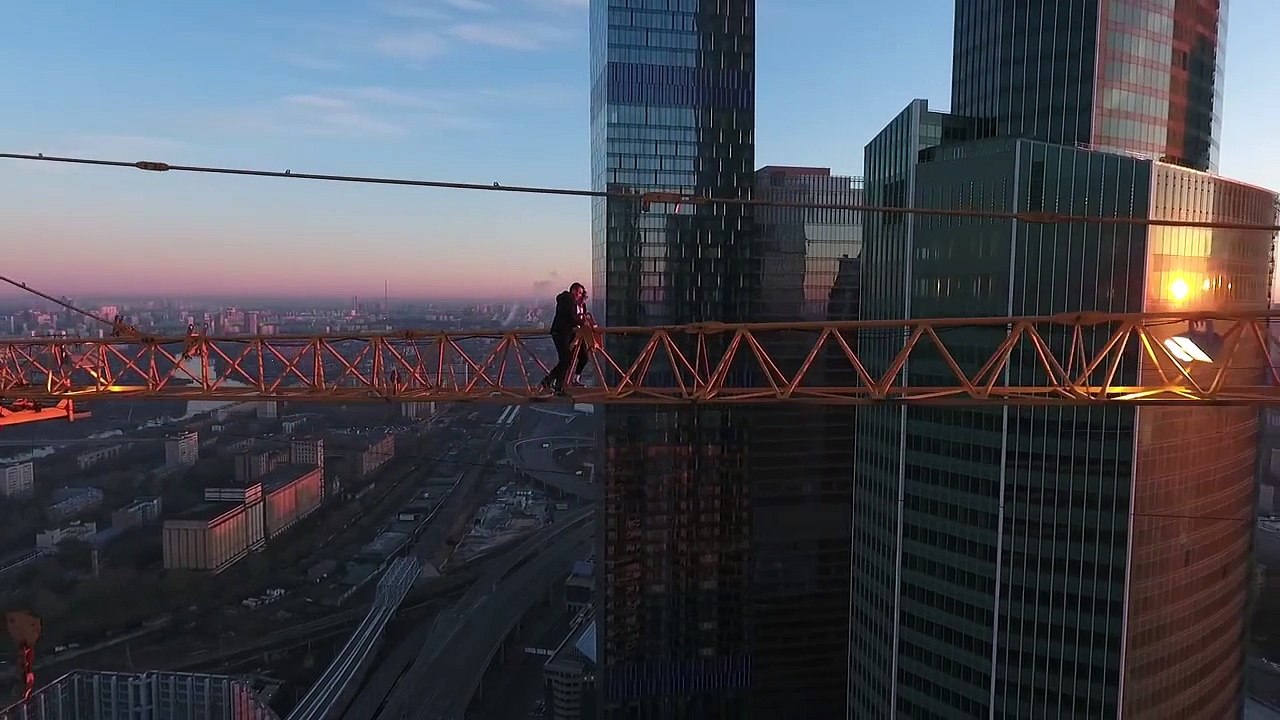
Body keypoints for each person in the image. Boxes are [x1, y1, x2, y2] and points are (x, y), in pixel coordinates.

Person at [541, 282, 590, 394]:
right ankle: (550, 381)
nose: (580, 296)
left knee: (567, 359)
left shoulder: (569, 300)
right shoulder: (568, 299)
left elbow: (571, 317)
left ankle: (556, 384)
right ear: (575, 291)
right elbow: (571, 317)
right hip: (561, 333)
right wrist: (583, 323)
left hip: (564, 333)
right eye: (580, 293)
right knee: (566, 359)